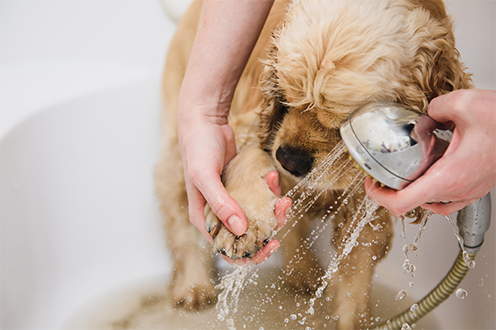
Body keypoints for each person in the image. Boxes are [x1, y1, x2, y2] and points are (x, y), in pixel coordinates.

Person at [178, 0, 496, 263]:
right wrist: (204, 111)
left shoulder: (410, 61)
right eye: (291, 100)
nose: (290, 145)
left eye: (337, 122)